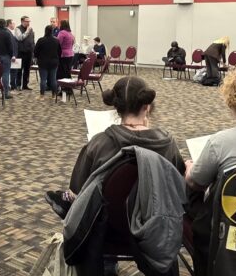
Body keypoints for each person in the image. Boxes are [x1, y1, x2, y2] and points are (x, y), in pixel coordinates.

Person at [45, 76, 187, 218]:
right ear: (147, 107)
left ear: (116, 107)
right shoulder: (166, 143)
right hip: (156, 225)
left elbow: (78, 192)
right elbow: (178, 185)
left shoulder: (98, 144)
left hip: (109, 227)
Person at [34, 23, 61, 99]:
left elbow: (35, 52)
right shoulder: (56, 40)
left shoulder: (41, 40)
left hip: (43, 63)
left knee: (43, 79)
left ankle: (42, 95)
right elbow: (60, 52)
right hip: (54, 62)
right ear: (52, 31)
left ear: (45, 31)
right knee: (53, 79)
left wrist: (38, 57)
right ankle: (54, 95)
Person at [18, 17, 36, 89]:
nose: (28, 23)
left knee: (27, 70)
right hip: (21, 52)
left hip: (29, 53)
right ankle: (18, 85)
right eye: (27, 21)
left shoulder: (31, 30)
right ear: (22, 21)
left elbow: (32, 41)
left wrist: (34, 51)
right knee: (19, 70)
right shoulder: (18, 29)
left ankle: (25, 85)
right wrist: (27, 31)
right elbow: (20, 38)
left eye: (29, 21)